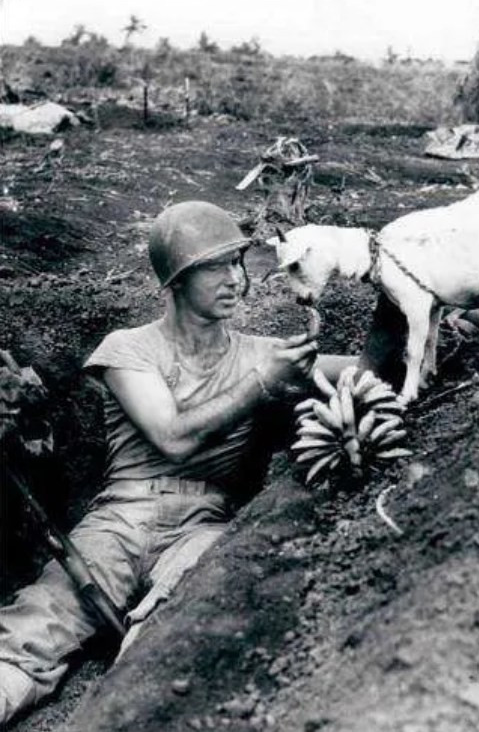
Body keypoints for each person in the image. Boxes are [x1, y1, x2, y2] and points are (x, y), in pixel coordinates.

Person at [0, 200, 350, 725]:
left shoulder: (265, 353)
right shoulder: (128, 348)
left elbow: (369, 373)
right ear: (176, 281)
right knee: (32, 630)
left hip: (206, 524)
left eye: (237, 263)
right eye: (215, 266)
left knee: (178, 632)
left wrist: (406, 306)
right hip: (121, 519)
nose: (234, 278)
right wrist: (263, 384)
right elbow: (173, 438)